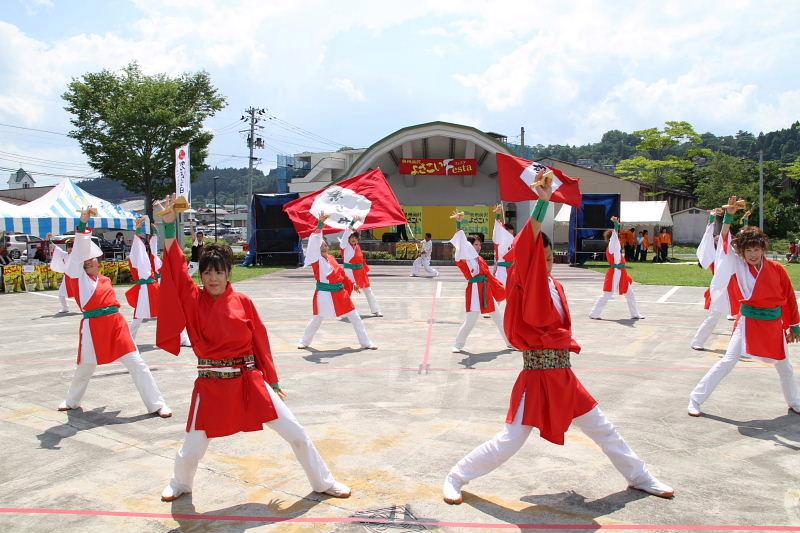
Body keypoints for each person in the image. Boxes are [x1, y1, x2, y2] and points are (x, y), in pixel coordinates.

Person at [442, 176, 674, 505]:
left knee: (603, 428)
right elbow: (527, 247)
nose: (547, 263)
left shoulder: (556, 287)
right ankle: (456, 475)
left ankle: (640, 477)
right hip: (536, 377)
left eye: (551, 258)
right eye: (541, 259)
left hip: (563, 375)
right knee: (511, 439)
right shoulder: (525, 281)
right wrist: (543, 202)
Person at [153, 195, 351, 502]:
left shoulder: (243, 302)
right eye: (207, 272)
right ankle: (181, 483)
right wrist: (167, 227)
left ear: (229, 272)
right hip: (211, 385)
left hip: (249, 381)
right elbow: (177, 270)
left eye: (219, 271)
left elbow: (260, 341)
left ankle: (322, 481)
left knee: (296, 433)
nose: (212, 277)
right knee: (192, 448)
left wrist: (272, 380)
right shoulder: (194, 300)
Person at [48, 207, 171, 417]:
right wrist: (83, 224)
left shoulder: (104, 280)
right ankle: (71, 400)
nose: (87, 260)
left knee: (137, 363)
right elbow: (78, 254)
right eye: (84, 259)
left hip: (115, 325)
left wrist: (143, 231)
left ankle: (157, 404)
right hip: (92, 327)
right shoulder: (78, 278)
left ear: (98, 261)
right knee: (85, 367)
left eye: (91, 258)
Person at [688, 196, 800, 417]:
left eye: (756, 249)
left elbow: (789, 297)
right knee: (728, 361)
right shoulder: (738, 264)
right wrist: (728, 217)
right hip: (748, 322)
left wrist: (794, 325)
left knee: (784, 367)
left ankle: (795, 402)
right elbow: (725, 240)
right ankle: (696, 399)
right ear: (741, 252)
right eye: (748, 250)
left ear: (763, 249)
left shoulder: (777, 269)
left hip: (773, 324)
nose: (753, 254)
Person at [298, 214, 377, 350]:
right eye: (320, 245)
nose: (323, 247)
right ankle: (304, 341)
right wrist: (320, 224)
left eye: (325, 245)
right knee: (317, 319)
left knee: (355, 317)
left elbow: (341, 274)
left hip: (340, 293)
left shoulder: (332, 258)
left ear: (328, 247)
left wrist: (352, 284)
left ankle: (366, 342)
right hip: (324, 294)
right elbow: (315, 239)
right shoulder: (316, 259)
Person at [449, 211, 510, 353]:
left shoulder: (479, 259)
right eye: (475, 244)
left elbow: (489, 275)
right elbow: (461, 241)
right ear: (469, 246)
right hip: (475, 290)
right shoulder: (462, 258)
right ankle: (458, 344)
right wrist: (458, 223)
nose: (478, 247)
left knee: (498, 317)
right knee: (471, 320)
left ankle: (509, 342)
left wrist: (500, 288)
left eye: (479, 244)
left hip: (486, 289)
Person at [126, 217, 191, 346]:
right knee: (138, 318)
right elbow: (137, 247)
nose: (145, 245)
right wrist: (138, 230)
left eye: (146, 243)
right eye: (143, 243)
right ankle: (127, 341)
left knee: (170, 312)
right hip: (145, 290)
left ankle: (182, 338)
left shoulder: (151, 258)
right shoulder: (136, 258)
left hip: (155, 288)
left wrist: (154, 234)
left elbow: (154, 250)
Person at [690, 209, 742, 351]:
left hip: (737, 290)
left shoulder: (740, 256)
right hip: (721, 289)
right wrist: (727, 216)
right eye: (717, 239)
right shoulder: (720, 255)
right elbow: (724, 233)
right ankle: (698, 341)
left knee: (744, 319)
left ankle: (740, 345)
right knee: (713, 317)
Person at [589, 217, 645, 320]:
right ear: (613, 237)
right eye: (617, 235)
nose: (619, 236)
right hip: (615, 272)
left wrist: (617, 225)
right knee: (607, 294)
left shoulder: (615, 245)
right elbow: (615, 233)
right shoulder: (612, 243)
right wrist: (615, 224)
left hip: (621, 272)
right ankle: (594, 314)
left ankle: (635, 314)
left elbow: (616, 233)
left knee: (630, 293)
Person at [340, 218, 382, 316]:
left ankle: (376, 310)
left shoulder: (358, 247)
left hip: (360, 271)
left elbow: (361, 261)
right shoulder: (344, 246)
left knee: (368, 290)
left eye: (355, 237)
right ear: (348, 239)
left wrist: (365, 271)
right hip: (349, 271)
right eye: (351, 237)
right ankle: (344, 309)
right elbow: (346, 233)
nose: (353, 239)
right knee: (347, 290)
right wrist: (353, 222)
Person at [491, 203, 515, 286]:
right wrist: (498, 215)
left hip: (512, 270)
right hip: (501, 271)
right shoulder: (499, 239)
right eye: (508, 233)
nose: (510, 235)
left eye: (512, 233)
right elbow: (497, 228)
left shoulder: (514, 241)